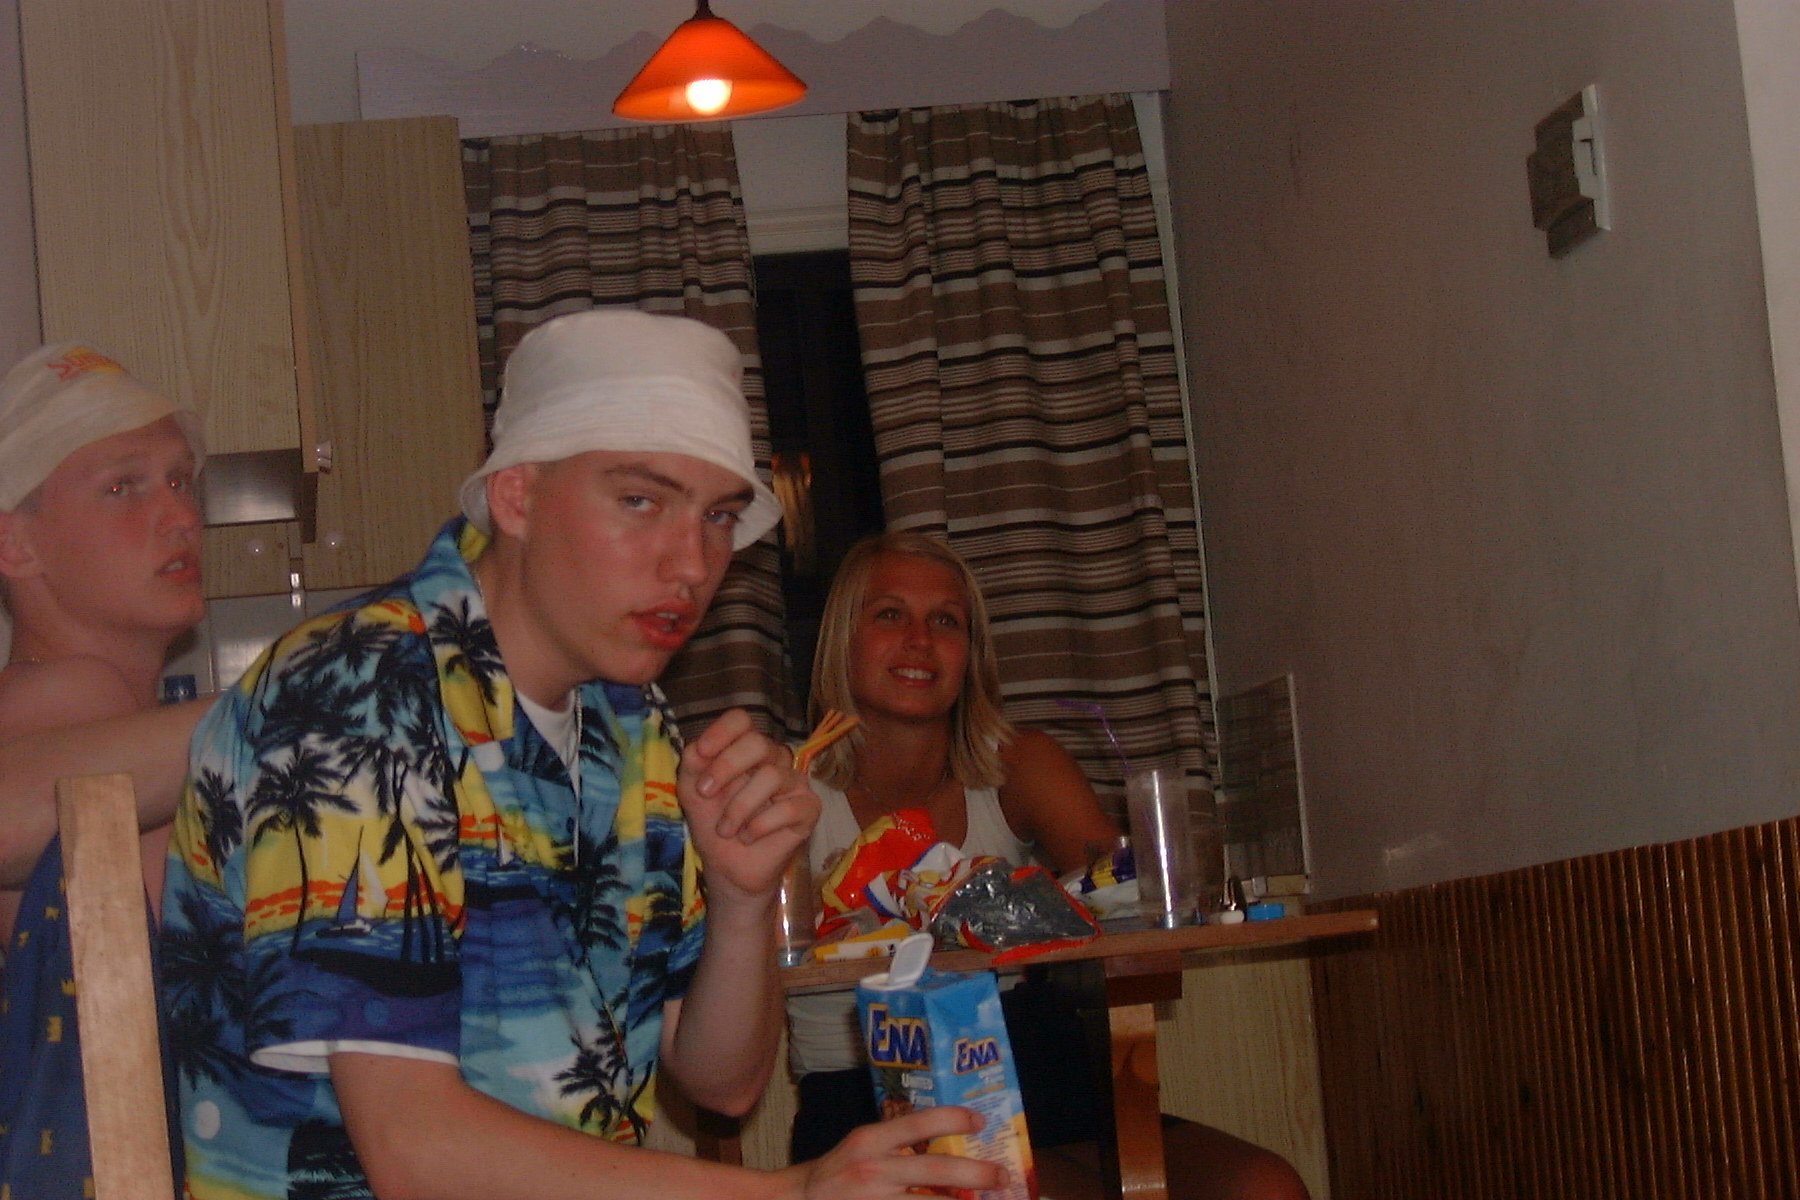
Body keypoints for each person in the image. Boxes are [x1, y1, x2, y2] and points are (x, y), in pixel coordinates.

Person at [159, 310, 1005, 1200]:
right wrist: (788, 1193)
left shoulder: (632, 725)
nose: (693, 565)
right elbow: (411, 1147)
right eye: (641, 501)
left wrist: (744, 897)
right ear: (516, 497)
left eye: (719, 516)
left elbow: (721, 1084)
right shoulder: (357, 689)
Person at [788, 530, 1312, 1200]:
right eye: (890, 614)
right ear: (842, 640)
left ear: (972, 655)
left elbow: (1131, 897)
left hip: (1036, 1070)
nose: (919, 640)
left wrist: (1143, 898)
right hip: (866, 1097)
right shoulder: (788, 786)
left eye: (946, 621)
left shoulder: (1019, 764)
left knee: (1265, 1186)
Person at [0, 341, 210, 1197]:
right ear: (15, 543)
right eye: (123, 487)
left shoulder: (89, 709)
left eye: (180, 480)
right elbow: (206, 967)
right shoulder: (67, 697)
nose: (181, 513)